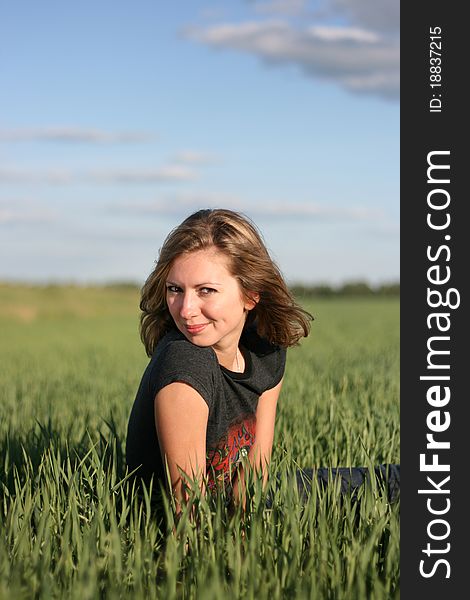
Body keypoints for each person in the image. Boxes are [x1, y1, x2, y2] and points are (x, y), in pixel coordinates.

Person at [125, 208, 399, 515]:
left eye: (206, 291)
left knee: (388, 483)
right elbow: (189, 511)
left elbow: (255, 475)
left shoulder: (265, 350)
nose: (186, 309)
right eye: (175, 289)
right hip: (187, 516)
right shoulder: (185, 359)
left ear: (250, 296)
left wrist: (248, 530)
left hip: (234, 503)